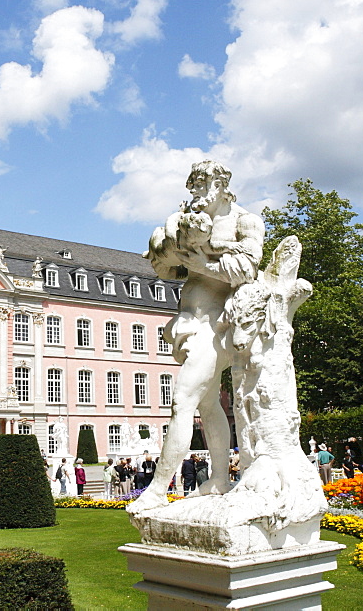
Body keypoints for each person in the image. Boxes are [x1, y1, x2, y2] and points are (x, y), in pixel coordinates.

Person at [130, 161, 264, 513]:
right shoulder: (189, 220)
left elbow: (247, 269)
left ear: (221, 185)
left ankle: (157, 489)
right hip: (190, 320)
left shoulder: (244, 221)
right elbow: (166, 269)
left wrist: (202, 263)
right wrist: (170, 253)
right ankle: (220, 477)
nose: (196, 195)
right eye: (193, 188)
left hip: (217, 325)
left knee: (183, 401)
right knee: (207, 405)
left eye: (202, 187)